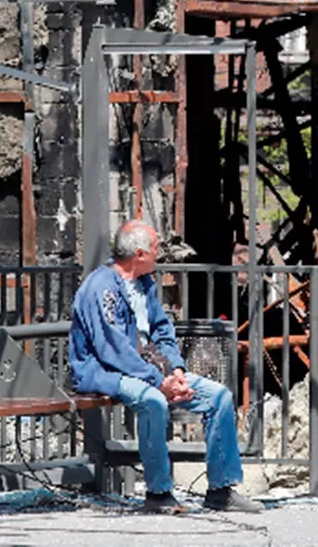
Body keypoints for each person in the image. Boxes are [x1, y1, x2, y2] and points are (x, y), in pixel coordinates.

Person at [70, 219, 261, 513]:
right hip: (104, 372)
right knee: (154, 401)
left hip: (151, 369)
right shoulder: (101, 288)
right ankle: (158, 493)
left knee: (218, 396)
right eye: (156, 248)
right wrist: (159, 382)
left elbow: (162, 330)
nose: (160, 254)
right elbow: (114, 350)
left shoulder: (145, 284)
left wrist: (176, 371)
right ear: (140, 254)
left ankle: (221, 489)